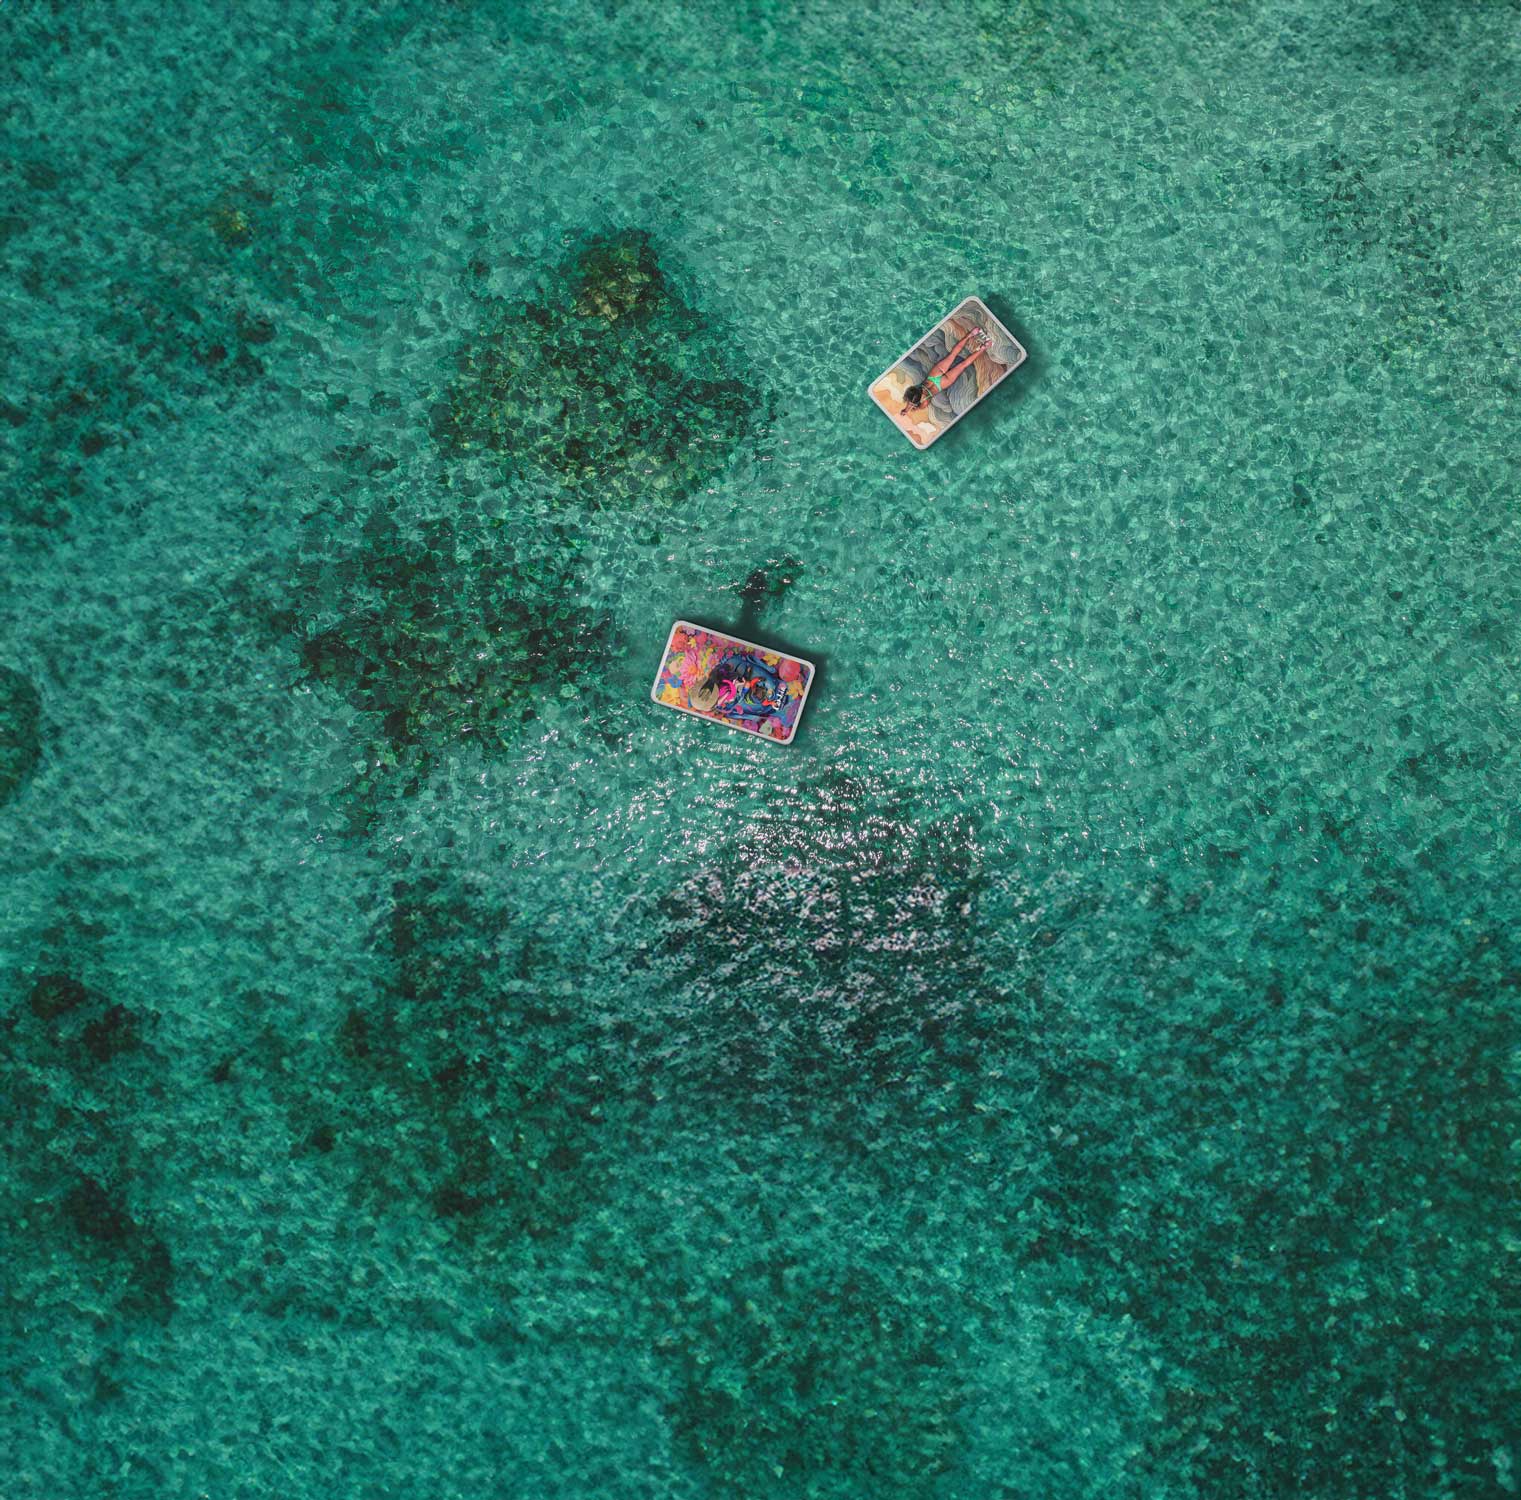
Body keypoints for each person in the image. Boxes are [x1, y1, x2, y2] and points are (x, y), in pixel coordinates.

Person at [899, 326, 992, 416]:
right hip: (937, 380)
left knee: (957, 360)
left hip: (937, 380)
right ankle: (978, 341)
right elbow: (913, 402)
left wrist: (908, 409)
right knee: (958, 360)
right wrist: (908, 409)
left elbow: (912, 403)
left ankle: (977, 341)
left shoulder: (918, 399)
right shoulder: (919, 399)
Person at [688, 650, 788, 726]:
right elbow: (736, 699)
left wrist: (743, 679)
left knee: (770, 685)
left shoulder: (723, 668)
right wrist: (744, 688)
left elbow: (735, 664)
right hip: (743, 692)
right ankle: (773, 700)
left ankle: (773, 692)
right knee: (761, 699)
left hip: (742, 675)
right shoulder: (723, 704)